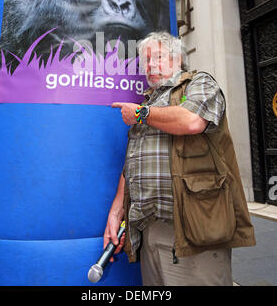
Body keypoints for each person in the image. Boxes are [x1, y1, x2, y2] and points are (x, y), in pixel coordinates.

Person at [104, 31, 256, 286]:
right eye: (146, 61)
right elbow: (132, 161)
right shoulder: (150, 101)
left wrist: (142, 114)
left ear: (178, 59)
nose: (150, 66)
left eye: (158, 57)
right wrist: (117, 210)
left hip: (194, 229)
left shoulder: (200, 83)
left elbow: (192, 120)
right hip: (148, 229)